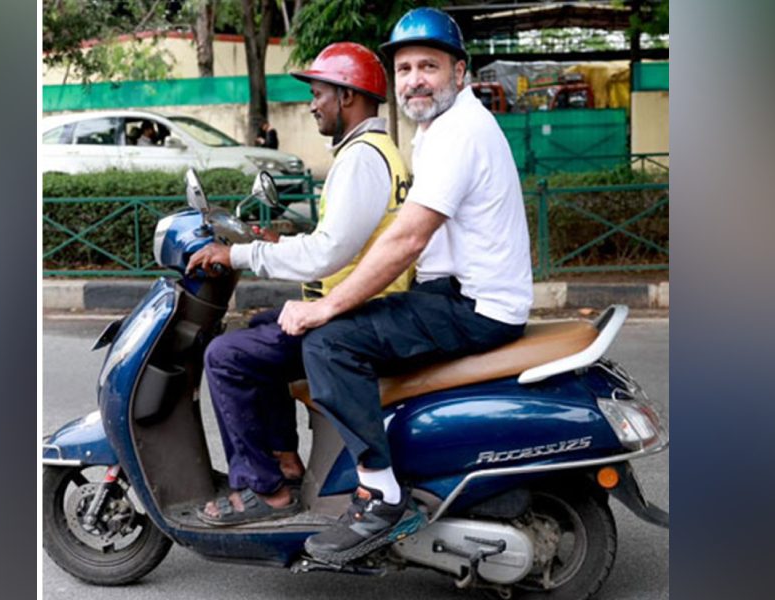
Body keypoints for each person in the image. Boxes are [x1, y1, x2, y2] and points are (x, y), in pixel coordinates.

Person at [276, 7, 534, 564]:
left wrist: (329, 308)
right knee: (350, 323)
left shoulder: (457, 133)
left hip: (476, 306)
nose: (415, 79)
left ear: (459, 73)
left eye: (430, 66)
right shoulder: (440, 127)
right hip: (458, 293)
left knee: (330, 342)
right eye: (405, 68)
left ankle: (380, 492)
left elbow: (408, 239)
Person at [184, 42, 413, 526]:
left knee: (225, 357)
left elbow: (330, 252)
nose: (312, 105)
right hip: (365, 306)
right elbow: (344, 242)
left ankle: (263, 490)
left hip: (355, 317)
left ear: (347, 96)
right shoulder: (378, 151)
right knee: (253, 329)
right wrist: (281, 240)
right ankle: (285, 461)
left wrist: (242, 253)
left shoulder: (360, 159)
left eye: (318, 94)